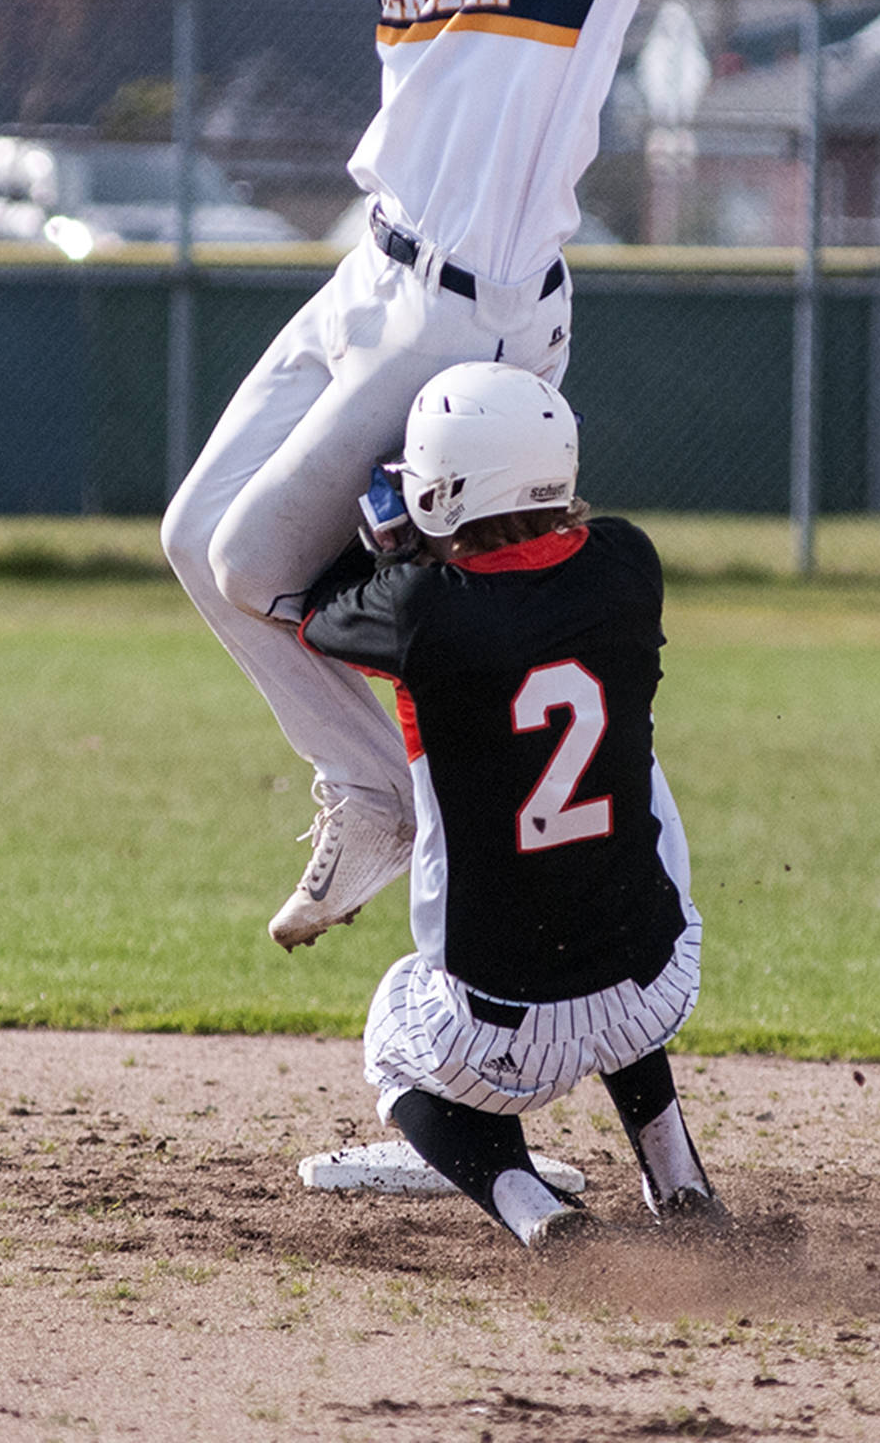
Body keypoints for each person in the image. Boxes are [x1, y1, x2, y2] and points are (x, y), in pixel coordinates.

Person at [0, 0, 880, 951]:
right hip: (370, 267)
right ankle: (375, 784)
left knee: (263, 557)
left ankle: (436, 765)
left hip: (474, 311)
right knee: (195, 541)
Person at [297, 361, 722, 1250]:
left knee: (394, 1052)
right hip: (657, 983)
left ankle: (537, 1214)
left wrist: (386, 538)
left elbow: (321, 612)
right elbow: (525, 584)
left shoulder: (421, 611)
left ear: (446, 490)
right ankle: (680, 1183)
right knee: (609, 872)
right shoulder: (628, 562)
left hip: (500, 1026)